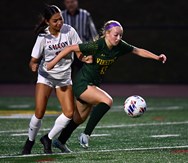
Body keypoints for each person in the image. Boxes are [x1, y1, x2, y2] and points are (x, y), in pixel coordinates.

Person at [45, 20, 167, 152]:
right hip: (83, 83)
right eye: (116, 35)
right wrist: (52, 63)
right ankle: (86, 135)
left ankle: (59, 141)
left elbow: (137, 51)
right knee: (107, 100)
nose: (118, 38)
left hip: (93, 84)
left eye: (121, 35)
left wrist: (157, 57)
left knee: (78, 118)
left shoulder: (120, 45)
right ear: (107, 34)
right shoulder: (96, 45)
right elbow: (70, 48)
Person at [21, 5, 91, 155]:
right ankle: (29, 143)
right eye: (55, 20)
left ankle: (48, 138)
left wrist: (86, 58)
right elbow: (33, 60)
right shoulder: (43, 37)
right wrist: (33, 65)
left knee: (69, 113)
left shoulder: (69, 30)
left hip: (64, 78)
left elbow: (78, 52)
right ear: (47, 21)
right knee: (39, 112)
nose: (59, 23)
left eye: (61, 19)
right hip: (46, 77)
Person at [61, 0, 98, 79]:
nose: (70, 4)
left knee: (85, 77)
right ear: (64, 3)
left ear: (76, 2)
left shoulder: (85, 15)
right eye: (68, 2)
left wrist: (94, 50)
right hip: (67, 52)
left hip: (83, 50)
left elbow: (93, 34)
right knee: (65, 79)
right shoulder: (61, 16)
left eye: (72, 1)